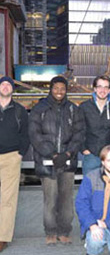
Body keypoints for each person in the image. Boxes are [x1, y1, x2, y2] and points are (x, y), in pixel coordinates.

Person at [28, 76, 84, 245]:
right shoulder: (39, 109)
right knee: (50, 199)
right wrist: (52, 154)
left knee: (67, 199)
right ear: (50, 89)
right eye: (56, 88)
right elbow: (35, 135)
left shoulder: (74, 110)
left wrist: (67, 154)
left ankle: (64, 230)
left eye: (62, 88)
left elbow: (79, 134)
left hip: (67, 161)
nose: (59, 91)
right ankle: (50, 231)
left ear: (66, 90)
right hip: (47, 161)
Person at [0, 76, 29, 252]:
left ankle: (2, 236)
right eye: (2, 84)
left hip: (11, 157)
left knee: (8, 199)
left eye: (8, 85)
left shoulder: (19, 111)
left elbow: (25, 134)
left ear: (12, 89)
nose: (5, 87)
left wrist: (20, 154)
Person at [80, 75, 110, 176]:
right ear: (94, 88)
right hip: (91, 155)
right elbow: (78, 129)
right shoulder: (84, 107)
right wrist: (83, 149)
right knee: (90, 188)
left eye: (106, 87)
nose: (102, 90)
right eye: (99, 86)